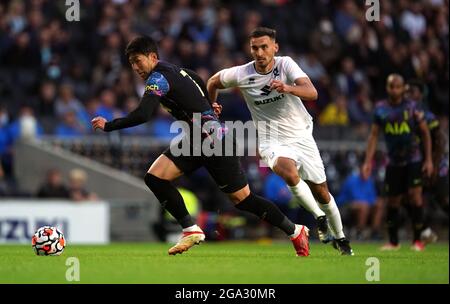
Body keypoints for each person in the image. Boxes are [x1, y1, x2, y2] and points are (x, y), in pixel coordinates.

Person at [91, 36, 310, 256]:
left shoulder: (157, 79)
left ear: (153, 57)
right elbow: (195, 78)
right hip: (197, 140)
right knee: (155, 177)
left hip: (215, 142)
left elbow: (143, 114)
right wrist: (207, 104)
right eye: (131, 63)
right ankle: (190, 229)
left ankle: (295, 230)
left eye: (138, 61)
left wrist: (109, 125)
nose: (135, 67)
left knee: (243, 200)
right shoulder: (176, 70)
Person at [207, 27, 353, 255]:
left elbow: (312, 92)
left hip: (301, 134)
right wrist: (211, 109)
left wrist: (287, 87)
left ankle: (342, 239)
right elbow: (213, 82)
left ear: (275, 47)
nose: (259, 52)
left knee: (322, 191)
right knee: (289, 173)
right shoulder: (242, 73)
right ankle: (319, 217)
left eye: (264, 47)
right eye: (255, 47)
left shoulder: (285, 64)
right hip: (270, 138)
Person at [362, 74, 434, 251]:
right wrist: (367, 161)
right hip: (393, 161)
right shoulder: (380, 109)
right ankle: (393, 242)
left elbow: (425, 133)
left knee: (415, 196)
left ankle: (417, 241)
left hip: (413, 159)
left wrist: (429, 160)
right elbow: (373, 136)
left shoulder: (412, 108)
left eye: (398, 87)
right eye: (391, 87)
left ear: (403, 89)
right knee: (392, 201)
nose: (394, 90)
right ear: (387, 88)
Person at [406, 79, 448, 243]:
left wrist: (434, 165)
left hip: (436, 166)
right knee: (409, 198)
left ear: (421, 95)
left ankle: (424, 232)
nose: (409, 94)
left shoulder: (428, 116)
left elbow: (441, 141)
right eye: (408, 91)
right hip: (416, 165)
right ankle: (424, 232)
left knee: (444, 201)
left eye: (413, 92)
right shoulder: (405, 114)